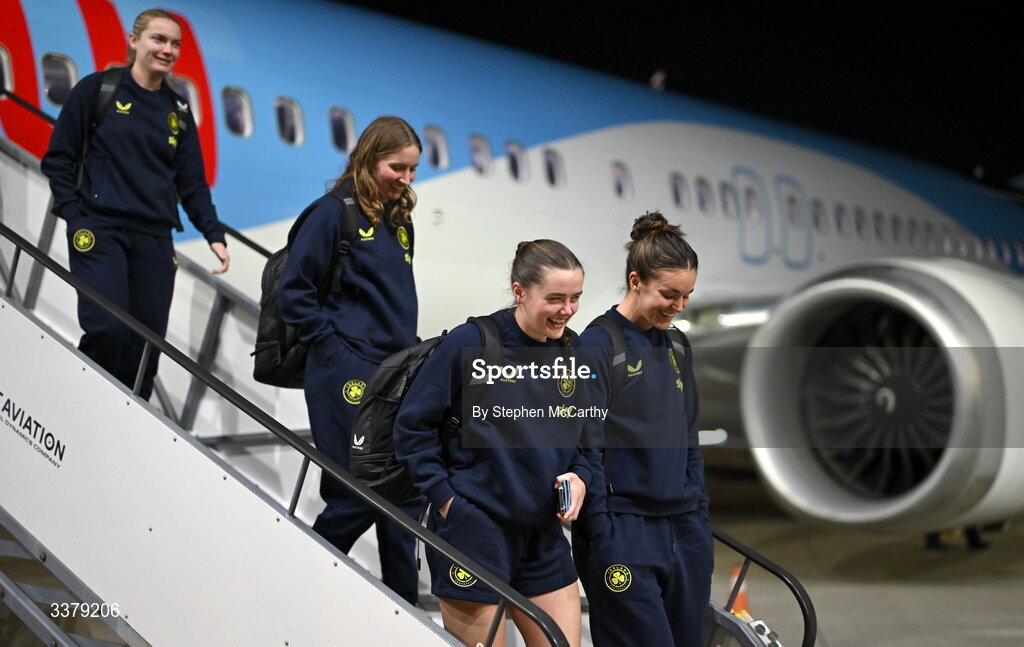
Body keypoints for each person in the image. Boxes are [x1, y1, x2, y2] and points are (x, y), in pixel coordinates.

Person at [394, 240, 593, 646]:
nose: (567, 310)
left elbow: (585, 438)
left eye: (575, 298)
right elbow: (413, 427)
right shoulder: (472, 343)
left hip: (542, 534)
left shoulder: (574, 352)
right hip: (475, 531)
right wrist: (449, 502)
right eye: (555, 299)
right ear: (520, 292)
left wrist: (580, 475)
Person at [40, 8, 229, 400]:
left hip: (154, 240)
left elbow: (191, 183)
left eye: (175, 43)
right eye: (158, 39)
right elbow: (58, 158)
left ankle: (127, 432)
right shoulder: (98, 90)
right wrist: (76, 216)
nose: (167, 50)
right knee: (107, 330)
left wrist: (213, 233)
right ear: (134, 41)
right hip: (100, 230)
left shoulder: (177, 112)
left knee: (144, 351)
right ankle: (84, 407)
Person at [278, 115, 422, 604]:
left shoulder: (399, 223)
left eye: (412, 170)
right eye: (396, 167)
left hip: (393, 372)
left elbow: (391, 303)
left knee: (403, 496)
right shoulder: (331, 213)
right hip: (346, 369)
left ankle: (404, 611)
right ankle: (295, 580)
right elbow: (293, 293)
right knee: (359, 489)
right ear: (368, 159)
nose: (405, 179)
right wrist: (331, 345)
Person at [573, 212, 713, 647]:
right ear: (636, 281)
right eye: (669, 294)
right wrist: (601, 529)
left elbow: (689, 438)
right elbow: (584, 446)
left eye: (687, 296)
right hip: (624, 531)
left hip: (684, 529)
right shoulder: (598, 345)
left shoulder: (676, 345)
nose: (679, 306)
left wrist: (698, 515)